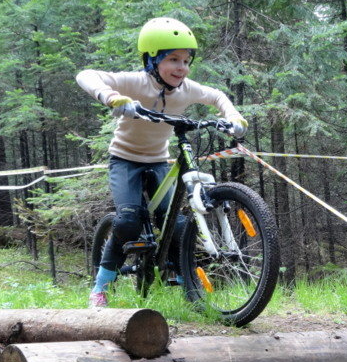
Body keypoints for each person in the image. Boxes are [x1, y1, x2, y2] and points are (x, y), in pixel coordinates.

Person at [76, 16, 247, 308]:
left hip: (157, 161)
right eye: (173, 59)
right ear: (152, 60)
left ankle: (184, 280)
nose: (182, 67)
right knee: (128, 220)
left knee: (177, 224)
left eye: (186, 60)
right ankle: (101, 286)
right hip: (125, 160)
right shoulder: (136, 82)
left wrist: (232, 117)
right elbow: (86, 75)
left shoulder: (186, 89)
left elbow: (217, 96)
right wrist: (112, 97)